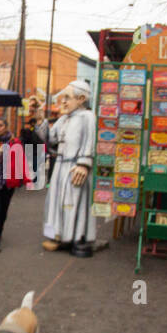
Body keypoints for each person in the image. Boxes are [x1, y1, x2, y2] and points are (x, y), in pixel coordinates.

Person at [41, 80, 97, 257]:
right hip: (60, 167)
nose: (63, 102)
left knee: (74, 203)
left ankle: (78, 237)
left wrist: (84, 164)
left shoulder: (88, 117)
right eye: (63, 98)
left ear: (81, 99)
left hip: (75, 167)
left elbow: (90, 141)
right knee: (56, 201)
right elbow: (50, 138)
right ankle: (60, 235)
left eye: (67, 98)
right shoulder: (63, 119)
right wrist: (39, 121)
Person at [0, 116, 26, 251]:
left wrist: (22, 179)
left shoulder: (15, 143)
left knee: (3, 212)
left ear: (6, 127)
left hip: (8, 183)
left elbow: (21, 161)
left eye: (0, 125)